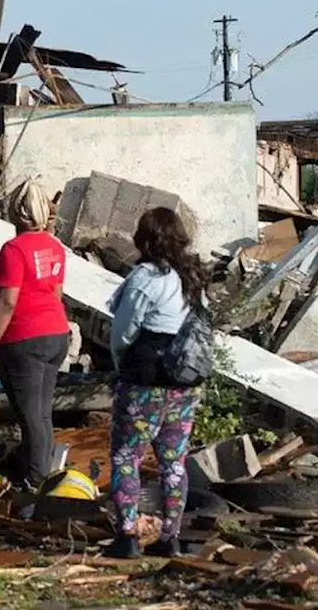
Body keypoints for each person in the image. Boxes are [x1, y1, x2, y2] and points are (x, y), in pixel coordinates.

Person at [105, 206, 208, 559]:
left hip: (143, 384)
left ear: (144, 239)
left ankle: (128, 536)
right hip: (185, 386)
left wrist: (122, 365)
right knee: (174, 461)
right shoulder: (191, 278)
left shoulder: (147, 277)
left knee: (125, 456)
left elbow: (123, 332)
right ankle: (171, 537)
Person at [0, 179, 71, 491]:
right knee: (42, 415)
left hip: (23, 340)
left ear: (14, 211)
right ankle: (43, 479)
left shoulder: (13, 250)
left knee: (30, 417)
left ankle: (34, 484)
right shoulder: (54, 248)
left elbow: (8, 302)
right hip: (56, 335)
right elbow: (56, 294)